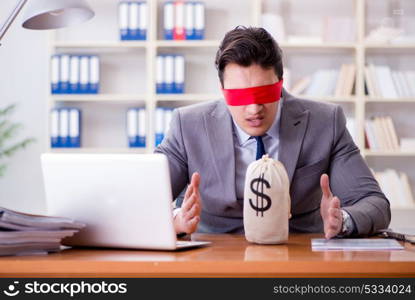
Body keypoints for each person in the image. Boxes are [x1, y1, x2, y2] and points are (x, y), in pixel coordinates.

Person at [155, 26, 390, 239]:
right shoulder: (188, 126)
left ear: (281, 82)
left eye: (265, 93)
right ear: (222, 90)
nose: (254, 109)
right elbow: (141, 198)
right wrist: (176, 220)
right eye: (239, 96)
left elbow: (375, 203)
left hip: (298, 255)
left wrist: (343, 221)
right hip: (214, 255)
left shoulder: (325, 122)